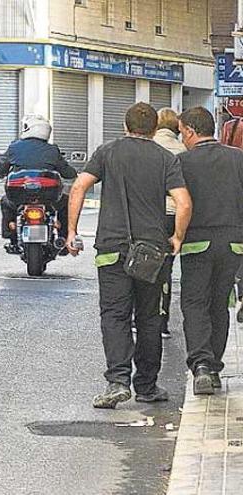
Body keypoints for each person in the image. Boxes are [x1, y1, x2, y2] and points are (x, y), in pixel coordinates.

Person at [66, 102, 192, 409]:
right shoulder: (165, 158)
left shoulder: (107, 152)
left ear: (125, 126)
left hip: (111, 250)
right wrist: (176, 237)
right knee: (149, 318)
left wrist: (72, 231)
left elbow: (79, 187)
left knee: (115, 315)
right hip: (151, 252)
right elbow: (184, 203)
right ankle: (147, 386)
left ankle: (117, 383)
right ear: (154, 129)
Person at [176, 107, 243, 395]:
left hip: (197, 244)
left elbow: (179, 204)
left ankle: (201, 365)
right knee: (220, 303)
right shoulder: (238, 158)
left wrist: (176, 236)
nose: (182, 138)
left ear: (190, 130)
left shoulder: (182, 162)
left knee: (194, 303)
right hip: (233, 243)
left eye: (181, 133)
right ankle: (214, 368)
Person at [0, 115, 78, 254]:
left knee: (5, 202)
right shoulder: (52, 150)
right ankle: (64, 238)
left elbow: (0, 169)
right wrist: (75, 173)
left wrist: (2, 172)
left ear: (29, 129)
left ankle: (11, 235)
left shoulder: (14, 147)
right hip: (49, 200)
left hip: (19, 198)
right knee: (65, 203)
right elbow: (68, 172)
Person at [152, 108, 187, 340]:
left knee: (144, 264)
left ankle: (143, 318)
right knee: (166, 269)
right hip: (173, 215)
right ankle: (162, 321)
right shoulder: (183, 150)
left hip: (150, 214)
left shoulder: (148, 148)